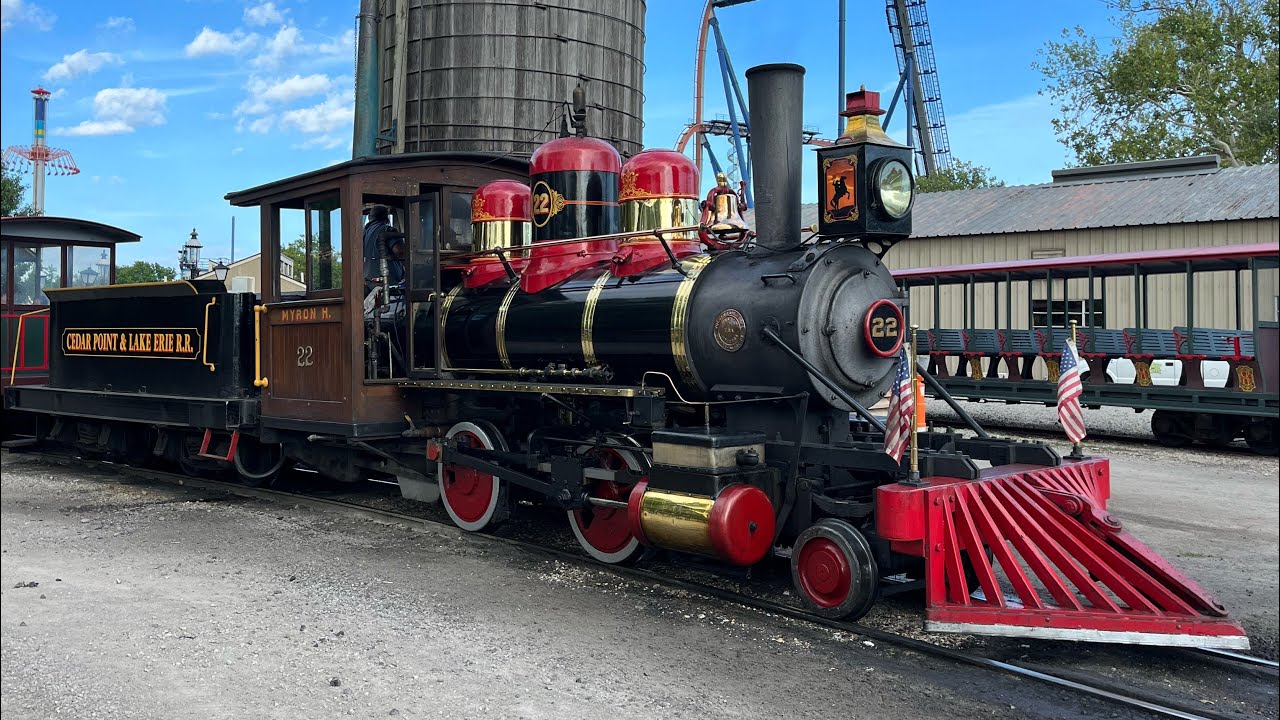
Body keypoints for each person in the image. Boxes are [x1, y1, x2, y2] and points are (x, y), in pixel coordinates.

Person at [363, 205, 405, 297]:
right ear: (386, 218)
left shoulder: (363, 234)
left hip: (368, 284)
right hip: (389, 285)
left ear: (370, 218)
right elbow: (398, 251)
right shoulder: (388, 230)